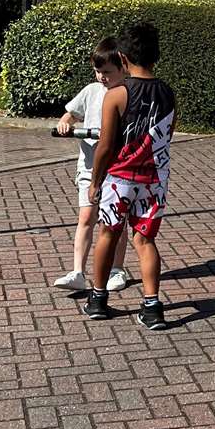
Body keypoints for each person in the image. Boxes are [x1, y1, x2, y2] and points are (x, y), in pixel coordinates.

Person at [85, 23, 177, 329]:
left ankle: (98, 299)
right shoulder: (168, 94)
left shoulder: (117, 94)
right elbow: (166, 136)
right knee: (145, 239)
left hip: (119, 178)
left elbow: (106, 146)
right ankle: (152, 306)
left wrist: (96, 181)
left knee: (108, 234)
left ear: (122, 58)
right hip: (154, 180)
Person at [54, 39, 131, 294]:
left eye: (107, 72)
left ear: (124, 68)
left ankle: (117, 269)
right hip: (89, 167)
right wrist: (65, 123)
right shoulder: (91, 91)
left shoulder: (128, 94)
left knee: (114, 222)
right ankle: (78, 272)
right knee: (86, 216)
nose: (102, 77)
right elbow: (70, 114)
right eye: (98, 72)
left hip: (118, 169)